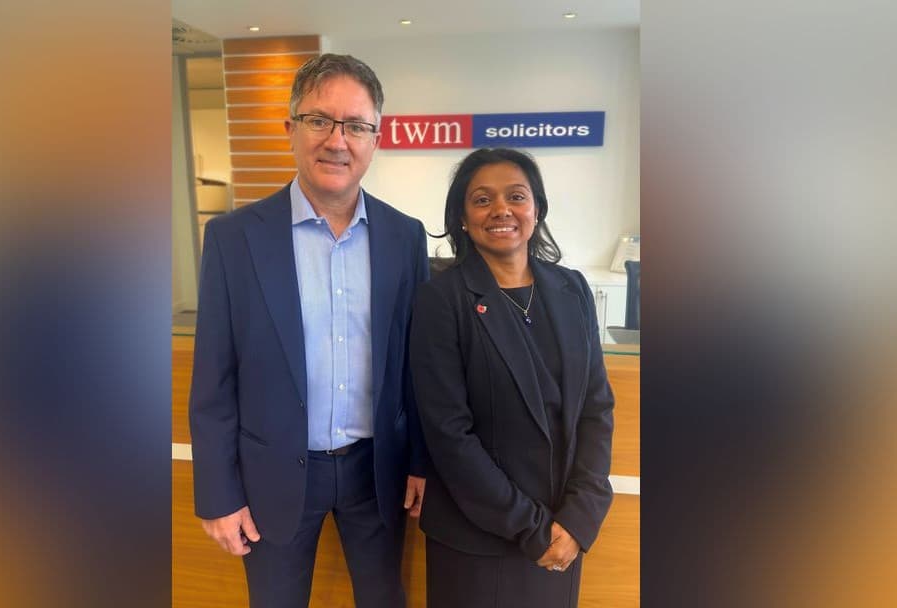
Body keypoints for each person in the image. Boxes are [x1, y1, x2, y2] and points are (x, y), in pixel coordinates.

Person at [188, 53, 429, 608]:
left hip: (378, 472)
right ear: (290, 128)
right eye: (319, 120)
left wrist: (421, 461)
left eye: (357, 126)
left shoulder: (405, 237)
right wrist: (218, 494)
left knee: (384, 599)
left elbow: (416, 366)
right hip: (272, 474)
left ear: (375, 139)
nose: (337, 141)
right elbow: (214, 379)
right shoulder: (233, 239)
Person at [410, 148, 615, 607]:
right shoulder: (441, 300)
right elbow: (449, 434)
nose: (501, 209)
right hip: (478, 540)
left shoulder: (572, 289)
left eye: (516, 196)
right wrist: (532, 529)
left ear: (536, 209)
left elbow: (596, 407)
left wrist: (579, 518)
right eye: (482, 199)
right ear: (462, 218)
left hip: (562, 532)